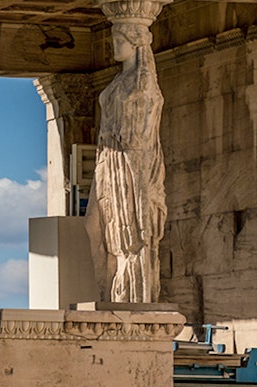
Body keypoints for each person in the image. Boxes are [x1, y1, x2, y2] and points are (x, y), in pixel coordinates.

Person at [90, 22, 166, 303]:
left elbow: (143, 134)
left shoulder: (142, 83)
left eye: (119, 39)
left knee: (131, 229)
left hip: (131, 160)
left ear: (135, 43)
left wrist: (140, 181)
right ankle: (110, 289)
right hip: (109, 159)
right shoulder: (118, 82)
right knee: (95, 228)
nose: (114, 45)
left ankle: (133, 293)